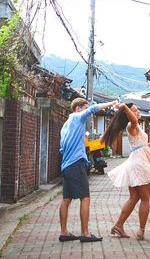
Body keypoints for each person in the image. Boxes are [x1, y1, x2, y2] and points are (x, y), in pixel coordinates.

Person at [101, 103, 150, 240]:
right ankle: (141, 231)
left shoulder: (136, 126)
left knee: (134, 198)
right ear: (128, 114)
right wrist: (123, 107)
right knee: (145, 198)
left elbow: (143, 148)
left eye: (137, 110)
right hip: (140, 165)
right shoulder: (131, 125)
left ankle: (118, 226)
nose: (137, 112)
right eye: (134, 110)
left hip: (136, 161)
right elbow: (133, 120)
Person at [59, 98, 117, 243]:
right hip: (75, 164)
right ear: (78, 109)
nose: (87, 111)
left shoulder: (65, 126)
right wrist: (112, 103)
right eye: (84, 108)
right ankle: (85, 233)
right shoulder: (77, 118)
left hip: (65, 166)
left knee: (66, 199)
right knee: (85, 198)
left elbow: (61, 148)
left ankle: (64, 232)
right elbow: (93, 109)